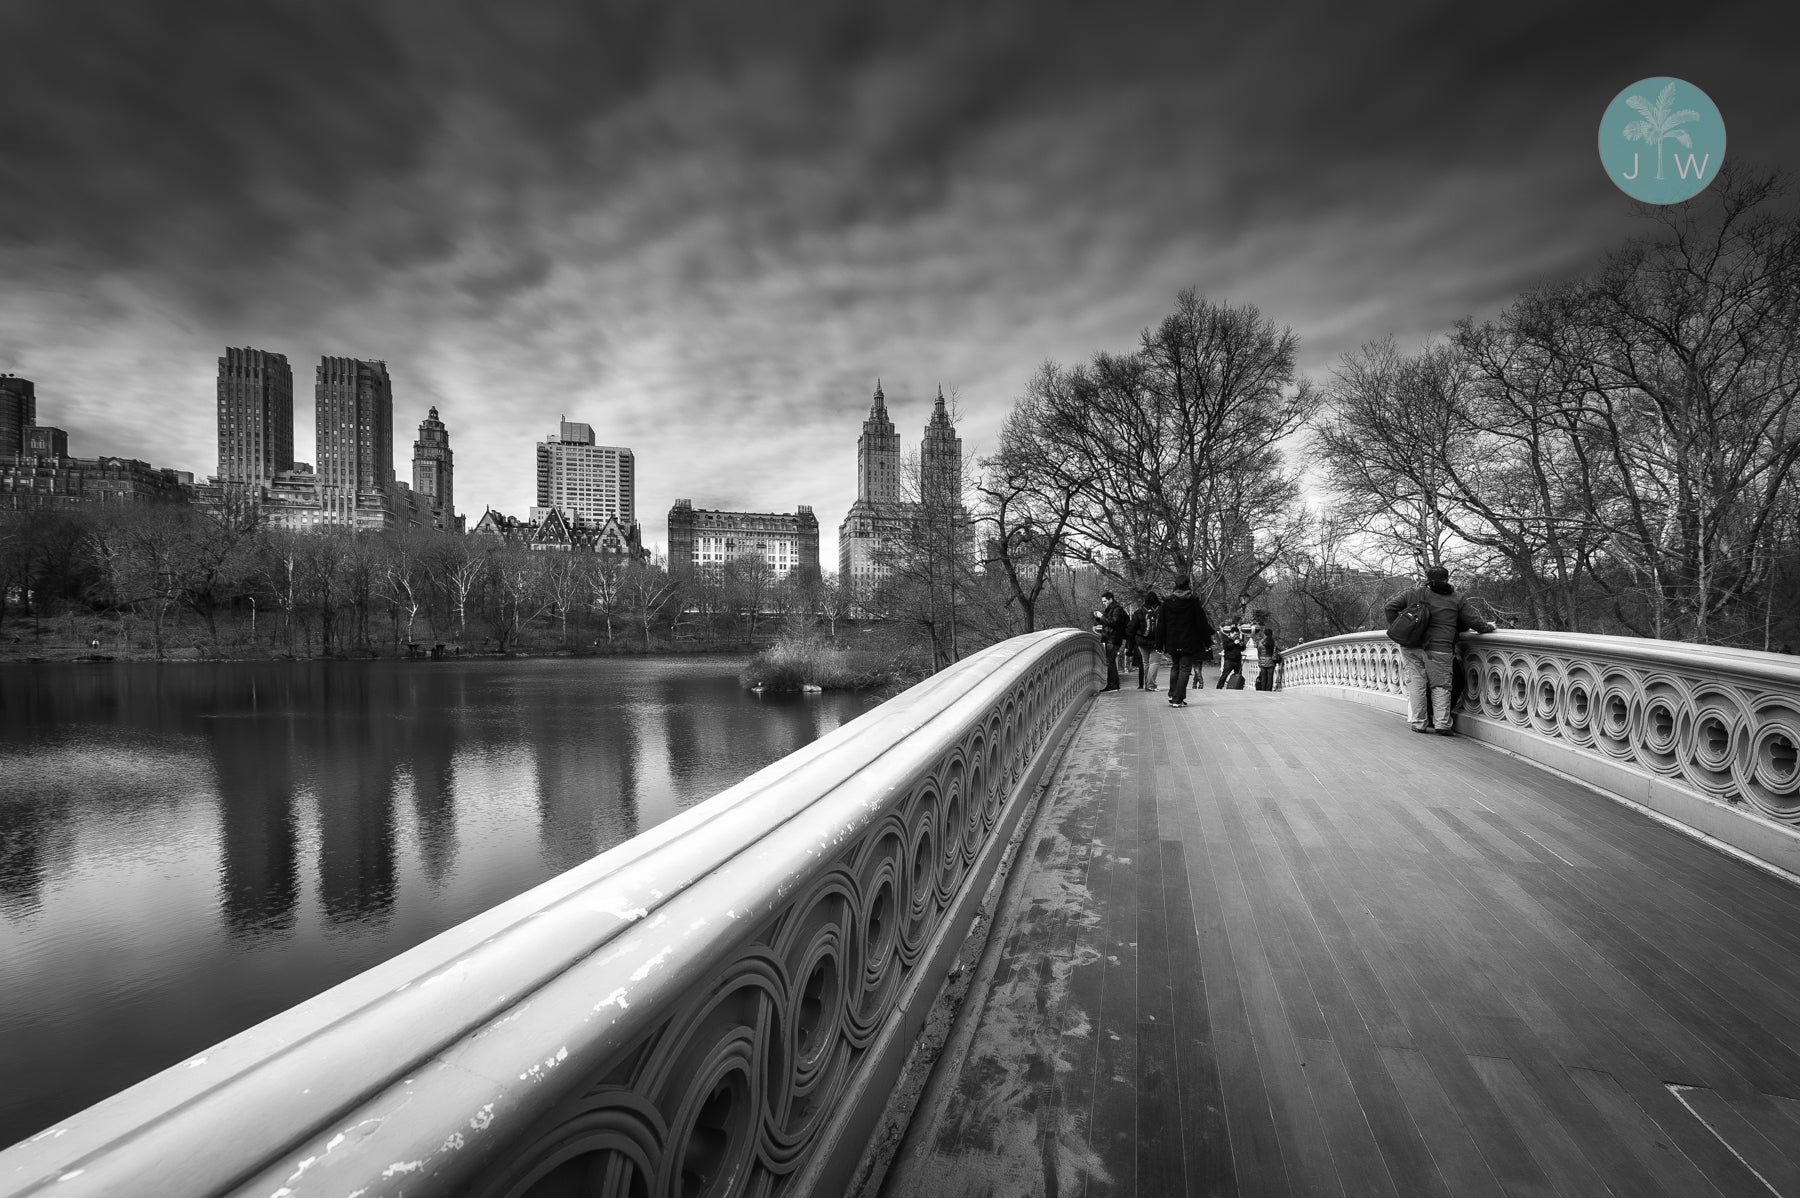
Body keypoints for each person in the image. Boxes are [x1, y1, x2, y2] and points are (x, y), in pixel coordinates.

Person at [1383, 564, 1496, 735]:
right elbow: (1474, 622)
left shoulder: (1414, 593)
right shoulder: (1456, 598)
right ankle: (1442, 723)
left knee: (1416, 684)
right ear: (1447, 579)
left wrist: (1403, 628)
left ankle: (1419, 723)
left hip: (1412, 646)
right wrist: (1488, 627)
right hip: (1440, 648)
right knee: (1441, 686)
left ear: (1427, 578)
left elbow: (1390, 607)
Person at [1156, 575, 1215, 707]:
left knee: (1175, 666)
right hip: (1189, 641)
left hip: (1172, 641)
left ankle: (1174, 695)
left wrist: (1159, 644)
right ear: (1188, 586)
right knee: (1185, 669)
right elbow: (1201, 623)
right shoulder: (1193, 602)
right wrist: (1207, 641)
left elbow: (1161, 624)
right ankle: (1177, 698)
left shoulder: (1167, 603)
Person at [1129, 591, 1166, 689]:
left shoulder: (1139, 611)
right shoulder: (1163, 610)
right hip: (1157, 641)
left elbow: (1131, 628)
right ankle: (1151, 685)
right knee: (1154, 662)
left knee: (1146, 662)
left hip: (1142, 641)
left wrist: (1132, 642)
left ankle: (1147, 684)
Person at [1097, 590, 1129, 692]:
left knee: (1110, 662)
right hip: (1110, 638)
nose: (1104, 603)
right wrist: (1098, 617)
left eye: (1105, 601)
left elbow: (1113, 623)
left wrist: (1101, 616)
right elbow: (1107, 622)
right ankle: (1112, 685)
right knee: (1110, 662)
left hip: (1114, 639)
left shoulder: (1117, 609)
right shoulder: (1111, 609)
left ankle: (1114, 685)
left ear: (1110, 599)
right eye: (1103, 602)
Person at [1215, 622, 1246, 690]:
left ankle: (1237, 686)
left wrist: (1241, 644)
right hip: (1229, 660)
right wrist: (1234, 643)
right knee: (1225, 674)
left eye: (1237, 634)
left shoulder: (1238, 640)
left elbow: (1243, 649)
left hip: (1237, 660)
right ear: (1231, 633)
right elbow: (1226, 647)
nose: (1236, 636)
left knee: (1238, 674)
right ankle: (1219, 687)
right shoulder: (1226, 640)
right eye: (1235, 634)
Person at [1250, 620, 1279, 691]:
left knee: (1263, 677)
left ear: (1264, 634)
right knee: (1270, 677)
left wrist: (1260, 659)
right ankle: (1269, 689)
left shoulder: (1260, 642)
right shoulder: (1274, 642)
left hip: (1262, 661)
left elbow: (1259, 652)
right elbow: (1276, 652)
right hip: (1271, 661)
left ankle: (1263, 689)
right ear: (1271, 634)